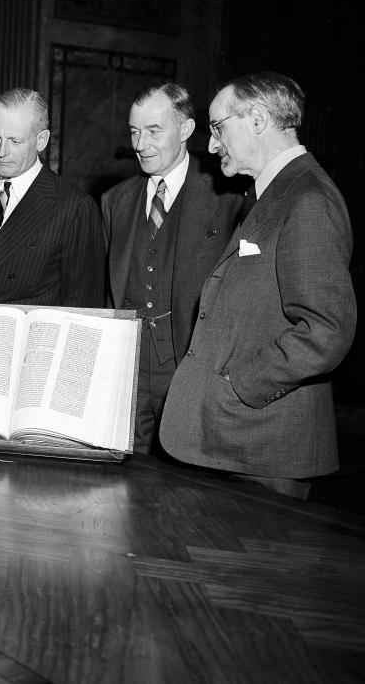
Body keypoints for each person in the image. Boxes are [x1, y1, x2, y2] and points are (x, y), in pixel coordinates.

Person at [160, 72, 356, 498]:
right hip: (242, 442)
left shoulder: (307, 199)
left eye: (217, 128)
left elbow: (325, 330)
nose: (211, 145)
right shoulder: (274, 193)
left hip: (264, 445)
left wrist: (239, 386)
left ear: (258, 119)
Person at [101, 83, 243, 454]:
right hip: (126, 372)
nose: (140, 143)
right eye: (134, 131)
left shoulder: (227, 196)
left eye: (153, 130)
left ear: (184, 130)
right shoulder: (115, 201)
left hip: (189, 370)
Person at [0, 88, 105, 308]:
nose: (2, 152)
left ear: (41, 140)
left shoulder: (74, 207)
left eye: (15, 141)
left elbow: (82, 308)